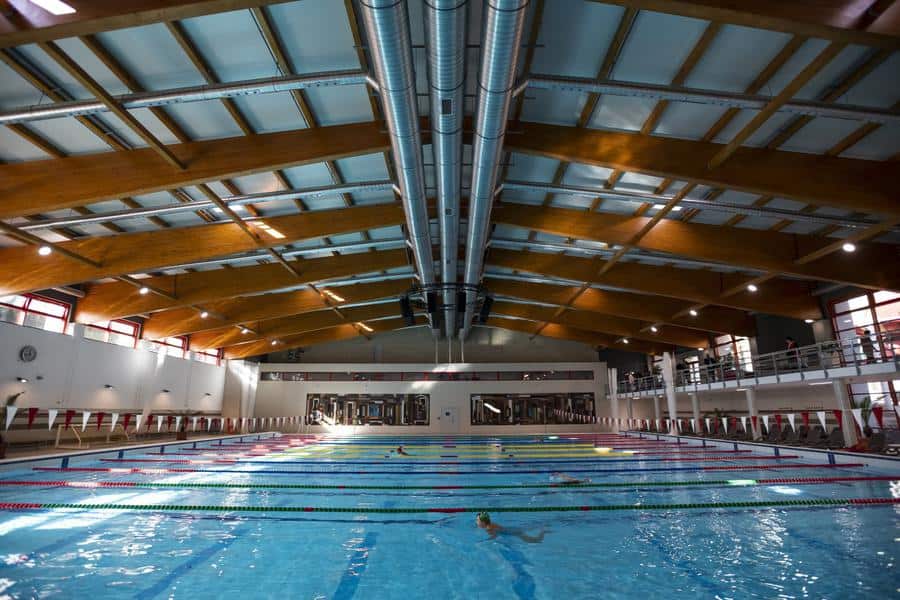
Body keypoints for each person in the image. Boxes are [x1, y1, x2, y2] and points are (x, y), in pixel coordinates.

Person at [476, 512, 546, 543]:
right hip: (511, 529)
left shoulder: (489, 529)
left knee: (535, 541)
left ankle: (543, 531)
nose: (476, 522)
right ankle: (542, 529)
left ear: (483, 522)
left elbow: (495, 536)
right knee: (533, 538)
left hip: (514, 532)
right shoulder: (490, 524)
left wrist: (485, 541)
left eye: (477, 520)